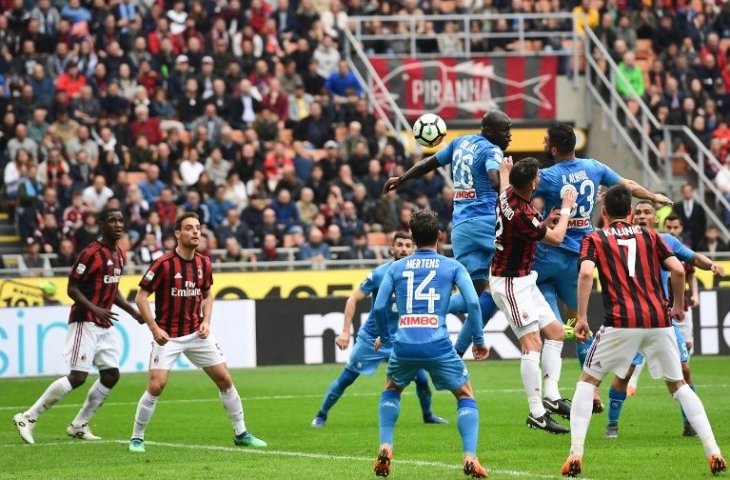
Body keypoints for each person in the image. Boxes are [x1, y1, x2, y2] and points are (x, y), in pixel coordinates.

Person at [561, 185, 726, 478]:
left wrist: (583, 317)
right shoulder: (653, 237)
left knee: (587, 383)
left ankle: (576, 453)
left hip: (620, 322)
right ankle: (712, 450)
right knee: (679, 385)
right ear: (630, 213)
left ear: (606, 213)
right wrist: (676, 305)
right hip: (659, 321)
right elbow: (677, 270)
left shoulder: (595, 238)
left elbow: (586, 273)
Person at [532, 122, 672, 413]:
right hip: (578, 257)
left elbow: (518, 189)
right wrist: (652, 197)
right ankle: (591, 391)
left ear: (554, 148)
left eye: (546, 140)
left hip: (545, 257)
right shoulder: (593, 167)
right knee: (583, 326)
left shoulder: (547, 176)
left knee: (554, 331)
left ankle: (549, 393)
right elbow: (628, 186)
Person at [128, 212, 266, 453]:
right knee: (157, 385)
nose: (195, 232)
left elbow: (207, 295)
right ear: (177, 233)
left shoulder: (204, 263)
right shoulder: (163, 264)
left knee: (225, 379)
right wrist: (154, 328)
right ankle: (137, 437)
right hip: (168, 336)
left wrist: (206, 321)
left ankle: (241, 433)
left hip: (196, 333)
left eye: (198, 228)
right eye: (189, 228)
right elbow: (140, 297)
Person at [371, 210, 490, 478]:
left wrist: (387, 338)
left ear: (412, 237)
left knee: (391, 390)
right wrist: (479, 340)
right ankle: (470, 456)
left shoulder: (396, 267)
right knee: (465, 395)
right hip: (438, 342)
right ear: (439, 235)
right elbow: (473, 303)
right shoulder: (453, 266)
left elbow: (379, 307)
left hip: (404, 343)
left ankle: (386, 446)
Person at [383, 110, 512, 355]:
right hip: (487, 223)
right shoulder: (492, 150)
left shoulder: (459, 142)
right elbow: (495, 179)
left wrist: (401, 178)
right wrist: (507, 179)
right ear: (490, 131)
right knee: (524, 268)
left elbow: (428, 163)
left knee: (475, 293)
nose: (510, 136)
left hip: (461, 228)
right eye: (506, 130)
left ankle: (431, 316)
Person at [13, 209, 143, 444]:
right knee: (78, 376)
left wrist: (134, 312)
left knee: (111, 375)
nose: (118, 224)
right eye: (112, 220)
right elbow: (71, 288)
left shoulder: (120, 255)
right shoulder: (90, 254)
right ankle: (28, 417)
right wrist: (94, 308)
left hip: (104, 323)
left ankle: (79, 425)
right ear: (101, 224)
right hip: (85, 321)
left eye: (121, 220)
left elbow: (113, 290)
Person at [604, 202, 724, 439]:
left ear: (655, 219)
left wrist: (710, 264)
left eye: (646, 212)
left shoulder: (667, 241)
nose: (641, 216)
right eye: (637, 212)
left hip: (663, 318)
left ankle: (689, 422)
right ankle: (612, 424)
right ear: (630, 217)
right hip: (631, 318)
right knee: (625, 373)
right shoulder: (621, 241)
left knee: (683, 370)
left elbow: (691, 258)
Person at [311, 232, 447, 428]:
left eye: (408, 245)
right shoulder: (379, 273)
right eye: (399, 244)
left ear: (414, 249)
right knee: (347, 378)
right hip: (372, 338)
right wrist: (345, 331)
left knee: (422, 379)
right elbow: (352, 299)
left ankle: (428, 415)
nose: (403, 249)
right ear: (392, 248)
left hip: (401, 339)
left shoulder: (419, 276)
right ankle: (321, 415)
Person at [490, 157, 576, 433]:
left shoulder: (509, 196)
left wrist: (505, 172)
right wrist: (565, 209)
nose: (540, 178)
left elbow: (506, 190)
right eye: (537, 176)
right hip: (510, 283)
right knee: (532, 344)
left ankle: (551, 396)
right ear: (532, 183)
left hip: (524, 279)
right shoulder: (523, 214)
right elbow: (558, 238)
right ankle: (536, 412)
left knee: (556, 332)